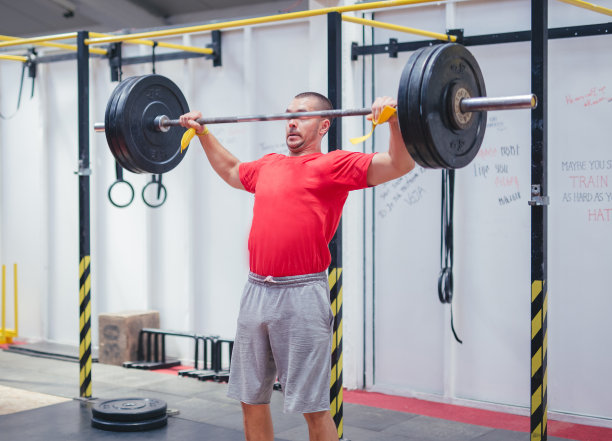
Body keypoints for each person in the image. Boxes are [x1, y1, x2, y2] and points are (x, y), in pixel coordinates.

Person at [179, 93, 415, 441]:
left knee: (313, 407)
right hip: (256, 290)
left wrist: (394, 121)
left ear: (323, 125)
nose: (290, 122)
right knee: (250, 399)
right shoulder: (269, 164)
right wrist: (202, 133)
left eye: (301, 116)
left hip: (302, 294)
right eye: (288, 116)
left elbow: (400, 165)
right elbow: (231, 170)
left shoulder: (334, 165)